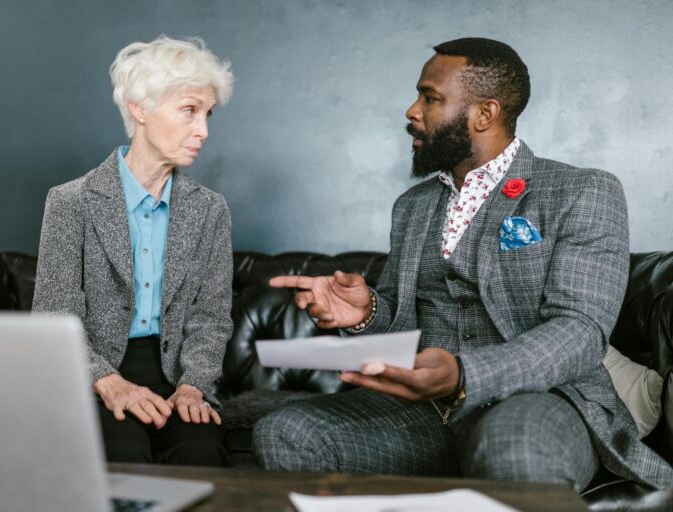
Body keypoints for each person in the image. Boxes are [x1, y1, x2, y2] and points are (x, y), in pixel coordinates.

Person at [254, 37, 673, 490]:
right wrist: (365, 313)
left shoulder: (581, 191)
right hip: (422, 414)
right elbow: (402, 327)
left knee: (513, 447)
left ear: (485, 114)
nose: (412, 111)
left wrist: (466, 375)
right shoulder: (412, 206)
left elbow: (580, 332)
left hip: (541, 400)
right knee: (287, 431)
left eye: (430, 98)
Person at [33, 36, 234, 466]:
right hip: (96, 373)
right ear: (140, 108)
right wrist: (107, 381)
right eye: (189, 111)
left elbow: (211, 318)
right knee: (121, 456)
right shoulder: (71, 201)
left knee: (200, 456)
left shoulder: (210, 210)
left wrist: (193, 386)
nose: (203, 130)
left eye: (207, 114)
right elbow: (54, 314)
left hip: (177, 375)